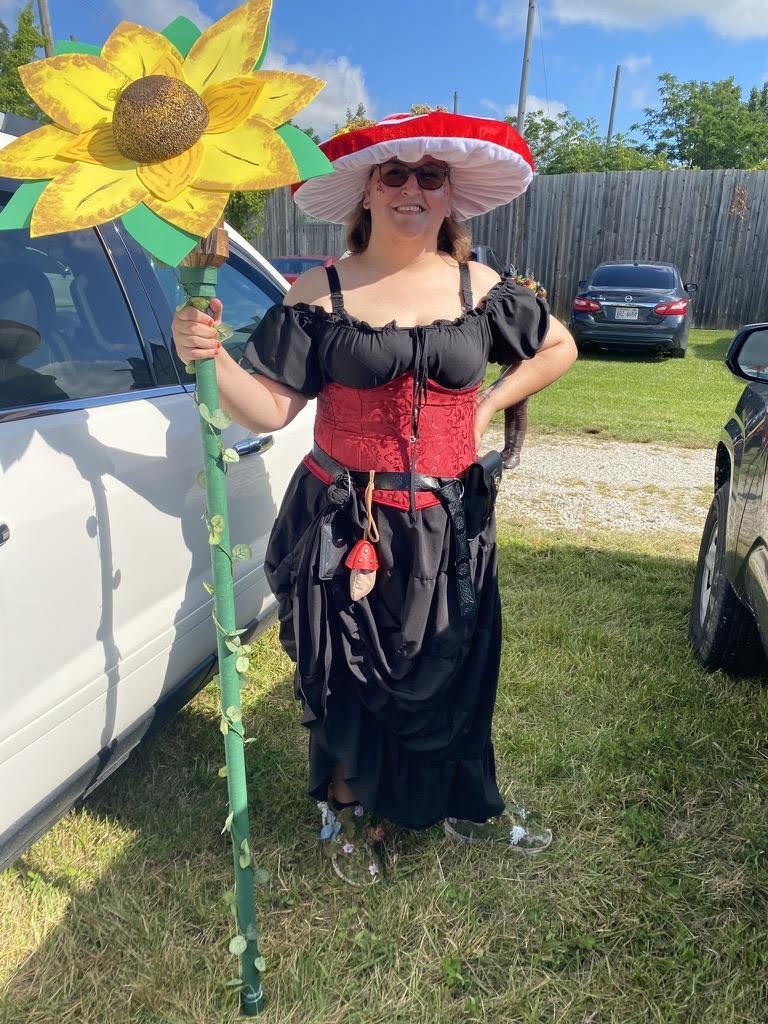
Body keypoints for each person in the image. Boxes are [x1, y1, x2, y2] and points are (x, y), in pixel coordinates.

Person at [171, 111, 577, 887]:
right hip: (344, 519)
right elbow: (270, 409)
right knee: (346, 672)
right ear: (367, 189)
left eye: (431, 175)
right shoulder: (320, 291)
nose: (411, 189)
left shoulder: (479, 287)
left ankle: (463, 805)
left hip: (450, 520)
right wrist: (209, 353)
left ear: (450, 193)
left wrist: (489, 404)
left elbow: (559, 346)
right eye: (395, 174)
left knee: (457, 660)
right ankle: (348, 812)